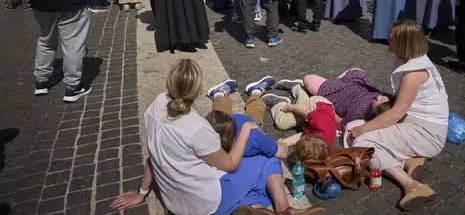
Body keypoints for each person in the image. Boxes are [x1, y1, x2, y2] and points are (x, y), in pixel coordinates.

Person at [110, 59, 324, 215]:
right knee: (267, 157)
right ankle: (282, 208)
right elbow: (230, 164)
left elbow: (154, 155)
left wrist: (142, 192)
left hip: (176, 202)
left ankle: (250, 207)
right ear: (196, 90)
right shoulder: (196, 128)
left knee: (251, 156)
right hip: (206, 205)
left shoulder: (156, 104)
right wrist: (248, 129)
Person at [348, 20, 448, 212]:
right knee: (367, 128)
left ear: (404, 43)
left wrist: (361, 130)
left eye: (392, 37)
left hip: (427, 133)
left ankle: (412, 185)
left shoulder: (414, 73)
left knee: (361, 142)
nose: (387, 39)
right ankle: (409, 159)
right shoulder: (408, 59)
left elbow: (396, 113)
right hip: (418, 124)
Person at [263, 81, 336, 161]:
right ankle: (281, 102)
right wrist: (288, 108)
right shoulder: (318, 120)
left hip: (320, 116)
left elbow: (304, 135)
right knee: (282, 122)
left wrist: (285, 142)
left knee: (301, 103)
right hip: (316, 104)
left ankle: (298, 88)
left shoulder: (320, 143)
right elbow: (303, 111)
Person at [302, 68, 392, 131]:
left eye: (378, 101)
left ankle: (334, 82)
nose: (379, 97)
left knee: (307, 79)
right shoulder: (387, 101)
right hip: (352, 83)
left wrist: (330, 110)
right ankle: (336, 81)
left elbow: (342, 124)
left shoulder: (360, 109)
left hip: (336, 92)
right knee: (357, 70)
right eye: (383, 98)